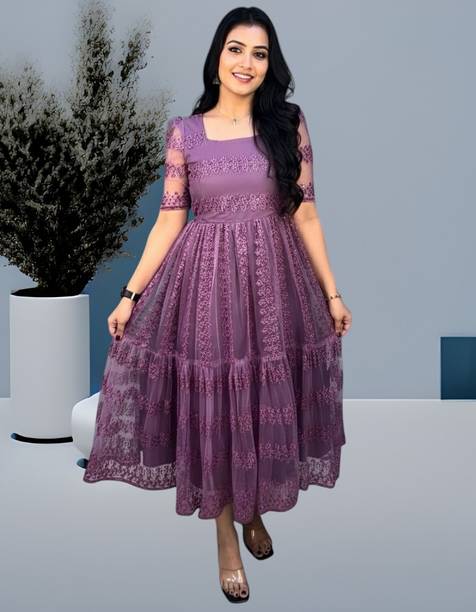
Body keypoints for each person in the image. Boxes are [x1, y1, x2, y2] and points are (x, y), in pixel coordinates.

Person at [83, 6, 352, 603]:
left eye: (259, 53)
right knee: (217, 405)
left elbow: (306, 214)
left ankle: (253, 509)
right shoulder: (186, 132)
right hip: (205, 288)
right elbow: (168, 221)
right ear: (217, 57)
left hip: (275, 285)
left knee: (258, 401)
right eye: (236, 49)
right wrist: (129, 294)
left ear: (270, 65)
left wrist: (332, 292)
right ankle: (226, 536)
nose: (246, 63)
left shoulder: (289, 124)